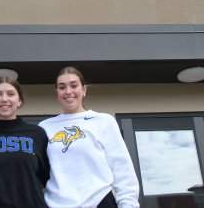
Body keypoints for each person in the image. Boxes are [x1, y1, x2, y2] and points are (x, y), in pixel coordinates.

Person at [39, 67, 140, 208]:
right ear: (57, 92)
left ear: (84, 89)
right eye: (62, 87)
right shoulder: (44, 127)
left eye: (74, 85)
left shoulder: (103, 121)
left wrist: (128, 204)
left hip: (99, 202)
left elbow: (122, 169)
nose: (68, 91)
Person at [0, 76, 50, 208]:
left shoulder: (37, 134)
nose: (4, 99)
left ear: (19, 100)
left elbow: (48, 177)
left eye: (10, 94)